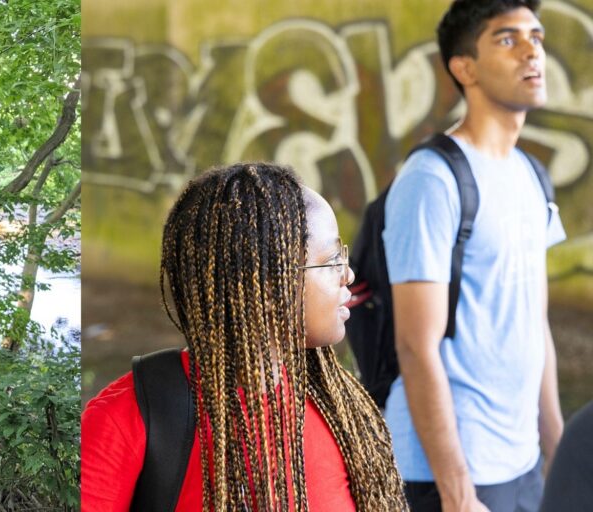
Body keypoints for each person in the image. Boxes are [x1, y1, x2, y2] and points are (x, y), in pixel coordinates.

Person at [81, 163, 407, 511]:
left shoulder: (342, 408)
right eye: (330, 262)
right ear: (266, 285)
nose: (348, 274)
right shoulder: (125, 418)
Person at [381, 1, 567, 510]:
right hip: (446, 473)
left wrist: (557, 449)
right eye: (507, 39)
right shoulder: (432, 178)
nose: (532, 50)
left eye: (537, 35)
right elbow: (415, 344)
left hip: (522, 464)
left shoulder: (531, 174)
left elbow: (535, 325)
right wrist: (458, 493)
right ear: (464, 68)